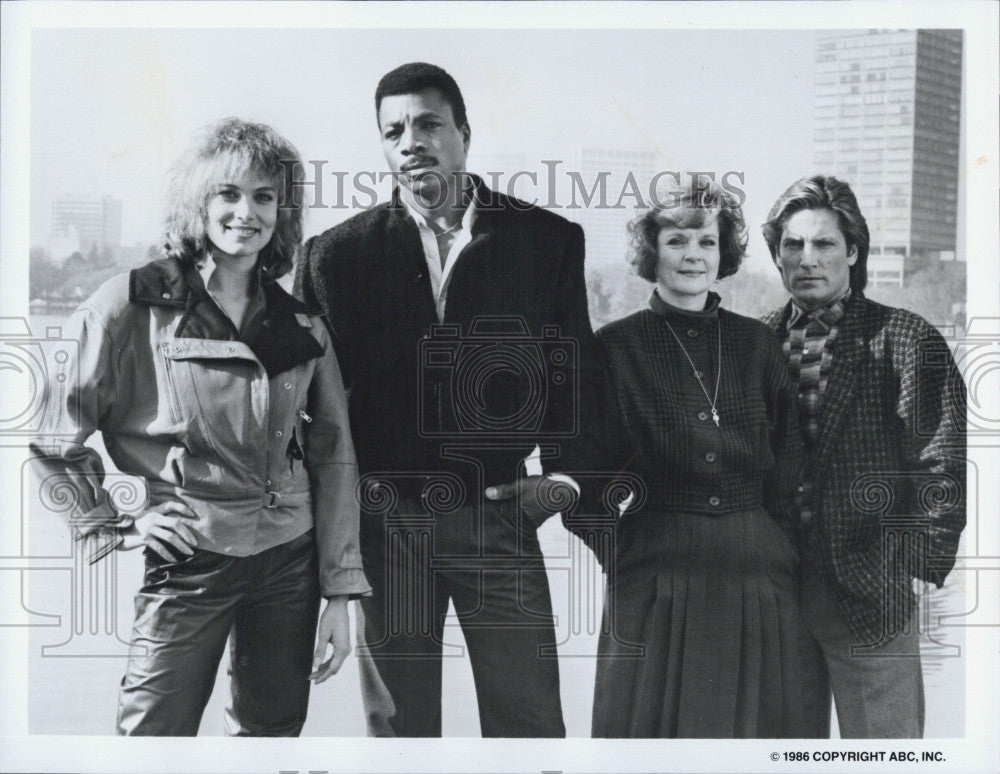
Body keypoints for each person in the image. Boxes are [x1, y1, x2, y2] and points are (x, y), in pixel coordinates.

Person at [29, 118, 370, 736]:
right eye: (229, 194)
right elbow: (55, 441)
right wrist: (122, 520)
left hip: (289, 564)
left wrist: (340, 594)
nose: (248, 213)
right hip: (186, 557)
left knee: (269, 743)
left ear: (282, 211)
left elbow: (336, 459)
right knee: (151, 739)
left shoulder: (304, 327)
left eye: (265, 197)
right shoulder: (127, 307)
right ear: (198, 204)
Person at [295, 62, 596, 737]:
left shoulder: (546, 242)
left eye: (428, 123)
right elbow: (300, 410)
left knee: (530, 723)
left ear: (464, 131)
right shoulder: (333, 258)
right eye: (393, 131)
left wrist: (563, 481)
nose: (410, 142)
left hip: (498, 516)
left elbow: (574, 381)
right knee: (399, 732)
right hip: (382, 526)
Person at [581, 179, 819, 738]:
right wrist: (619, 549)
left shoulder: (756, 344)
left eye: (706, 243)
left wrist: (778, 543)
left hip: (757, 571)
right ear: (651, 251)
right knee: (645, 736)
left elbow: (790, 458)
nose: (693, 255)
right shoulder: (614, 347)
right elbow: (586, 467)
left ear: (723, 253)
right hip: (652, 569)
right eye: (677, 240)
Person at [760, 175, 967, 738]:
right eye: (792, 245)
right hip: (776, 595)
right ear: (776, 255)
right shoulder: (756, 342)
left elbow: (940, 462)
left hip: (872, 590)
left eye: (824, 243)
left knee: (884, 753)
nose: (807, 259)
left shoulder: (905, 338)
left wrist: (914, 566)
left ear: (853, 250)